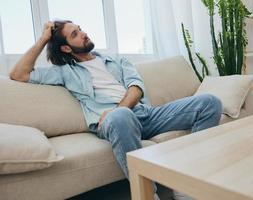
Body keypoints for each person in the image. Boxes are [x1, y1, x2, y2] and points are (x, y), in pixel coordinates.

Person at [9, 20, 222, 199]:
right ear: (66, 47)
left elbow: (136, 88)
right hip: (113, 123)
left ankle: (188, 182)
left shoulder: (116, 60)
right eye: (75, 34)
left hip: (144, 115)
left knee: (210, 102)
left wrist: (119, 109)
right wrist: (43, 39)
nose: (83, 34)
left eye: (81, 29)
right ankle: (150, 195)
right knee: (121, 116)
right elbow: (18, 74)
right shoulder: (64, 73)